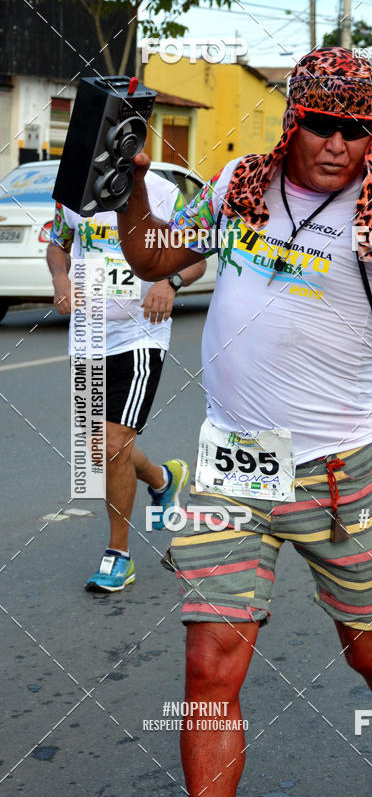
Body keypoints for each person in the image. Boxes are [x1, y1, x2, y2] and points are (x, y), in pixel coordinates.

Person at [116, 48, 372, 797]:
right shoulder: (239, 188)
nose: (335, 144)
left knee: (369, 651)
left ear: (371, 136)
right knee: (210, 663)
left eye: (354, 130)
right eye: (319, 124)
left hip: (339, 471)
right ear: (293, 123)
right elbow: (154, 253)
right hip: (235, 464)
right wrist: (122, 190)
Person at [47, 170, 206, 592]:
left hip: (140, 334)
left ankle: (118, 555)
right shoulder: (75, 191)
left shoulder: (163, 192)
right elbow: (57, 244)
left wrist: (167, 281)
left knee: (113, 444)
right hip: (86, 336)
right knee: (99, 446)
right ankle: (162, 479)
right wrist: (60, 278)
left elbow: (196, 258)